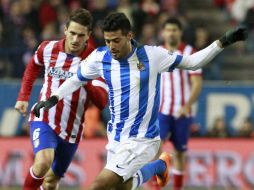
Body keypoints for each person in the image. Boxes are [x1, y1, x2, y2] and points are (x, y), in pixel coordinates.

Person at [33, 12, 247, 190]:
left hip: (142, 139)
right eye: (107, 41)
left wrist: (223, 42)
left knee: (97, 186)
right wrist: (54, 97)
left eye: (116, 40)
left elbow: (192, 62)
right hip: (116, 138)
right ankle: (159, 166)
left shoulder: (152, 56)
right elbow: (76, 79)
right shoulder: (101, 57)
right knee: (123, 187)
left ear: (129, 36)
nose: (112, 46)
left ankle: (157, 165)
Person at [14, 8, 108, 190]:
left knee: (50, 183)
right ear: (65, 30)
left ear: (88, 35)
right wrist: (23, 97)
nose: (75, 40)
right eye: (72, 33)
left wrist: (85, 79)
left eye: (81, 35)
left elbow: (102, 101)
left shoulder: (96, 60)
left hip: (72, 129)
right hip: (44, 118)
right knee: (43, 163)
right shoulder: (47, 48)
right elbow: (33, 66)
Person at [155, 18, 203, 190]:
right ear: (163, 33)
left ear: (180, 32)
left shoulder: (190, 52)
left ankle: (177, 188)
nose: (171, 33)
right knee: (155, 149)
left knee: (180, 153)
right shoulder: (157, 52)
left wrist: (187, 105)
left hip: (183, 112)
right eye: (168, 30)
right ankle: (156, 187)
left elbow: (197, 83)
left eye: (174, 29)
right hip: (162, 111)